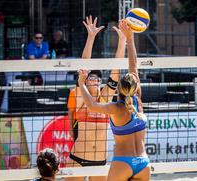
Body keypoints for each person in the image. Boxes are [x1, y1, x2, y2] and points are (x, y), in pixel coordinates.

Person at [77, 20, 150, 181]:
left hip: (123, 162)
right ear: (135, 86)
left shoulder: (115, 107)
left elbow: (92, 105)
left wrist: (81, 83)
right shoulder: (138, 100)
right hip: (144, 163)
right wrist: (130, 39)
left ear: (118, 89)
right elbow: (134, 66)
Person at [66, 16, 126, 181]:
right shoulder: (80, 95)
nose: (96, 79)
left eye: (98, 78)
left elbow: (116, 72)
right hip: (77, 157)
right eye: (92, 77)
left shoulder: (105, 98)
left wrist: (122, 40)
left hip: (100, 160)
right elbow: (84, 66)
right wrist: (91, 36)